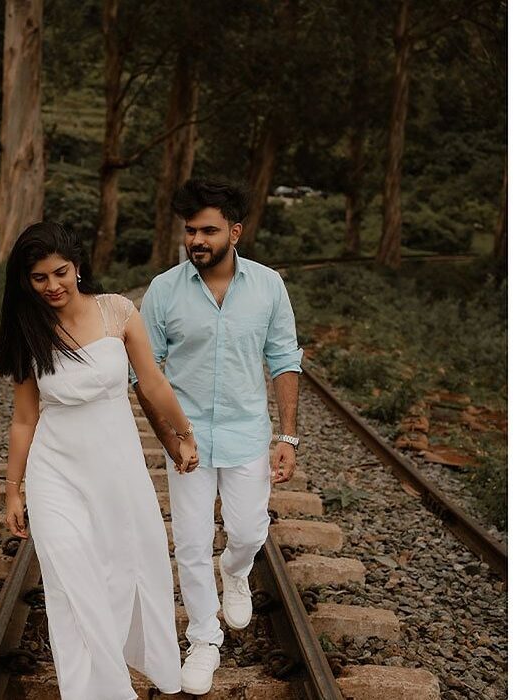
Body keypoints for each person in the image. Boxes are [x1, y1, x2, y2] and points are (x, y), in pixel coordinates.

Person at [0, 222, 199, 699]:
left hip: (116, 470)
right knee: (71, 584)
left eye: (60, 273)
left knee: (124, 567)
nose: (52, 286)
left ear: (78, 266)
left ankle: (127, 665)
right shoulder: (29, 329)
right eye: (39, 278)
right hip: (55, 473)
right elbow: (24, 420)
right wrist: (13, 489)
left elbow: (152, 384)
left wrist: (184, 434)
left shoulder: (119, 312)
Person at [133, 178, 304, 695]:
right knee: (188, 542)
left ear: (235, 231)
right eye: (190, 231)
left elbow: (284, 359)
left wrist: (288, 437)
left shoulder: (269, 285)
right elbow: (146, 373)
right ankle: (204, 639)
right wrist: (171, 439)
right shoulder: (164, 290)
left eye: (208, 230)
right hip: (188, 439)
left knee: (249, 530)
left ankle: (236, 569)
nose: (197, 240)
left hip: (247, 431)